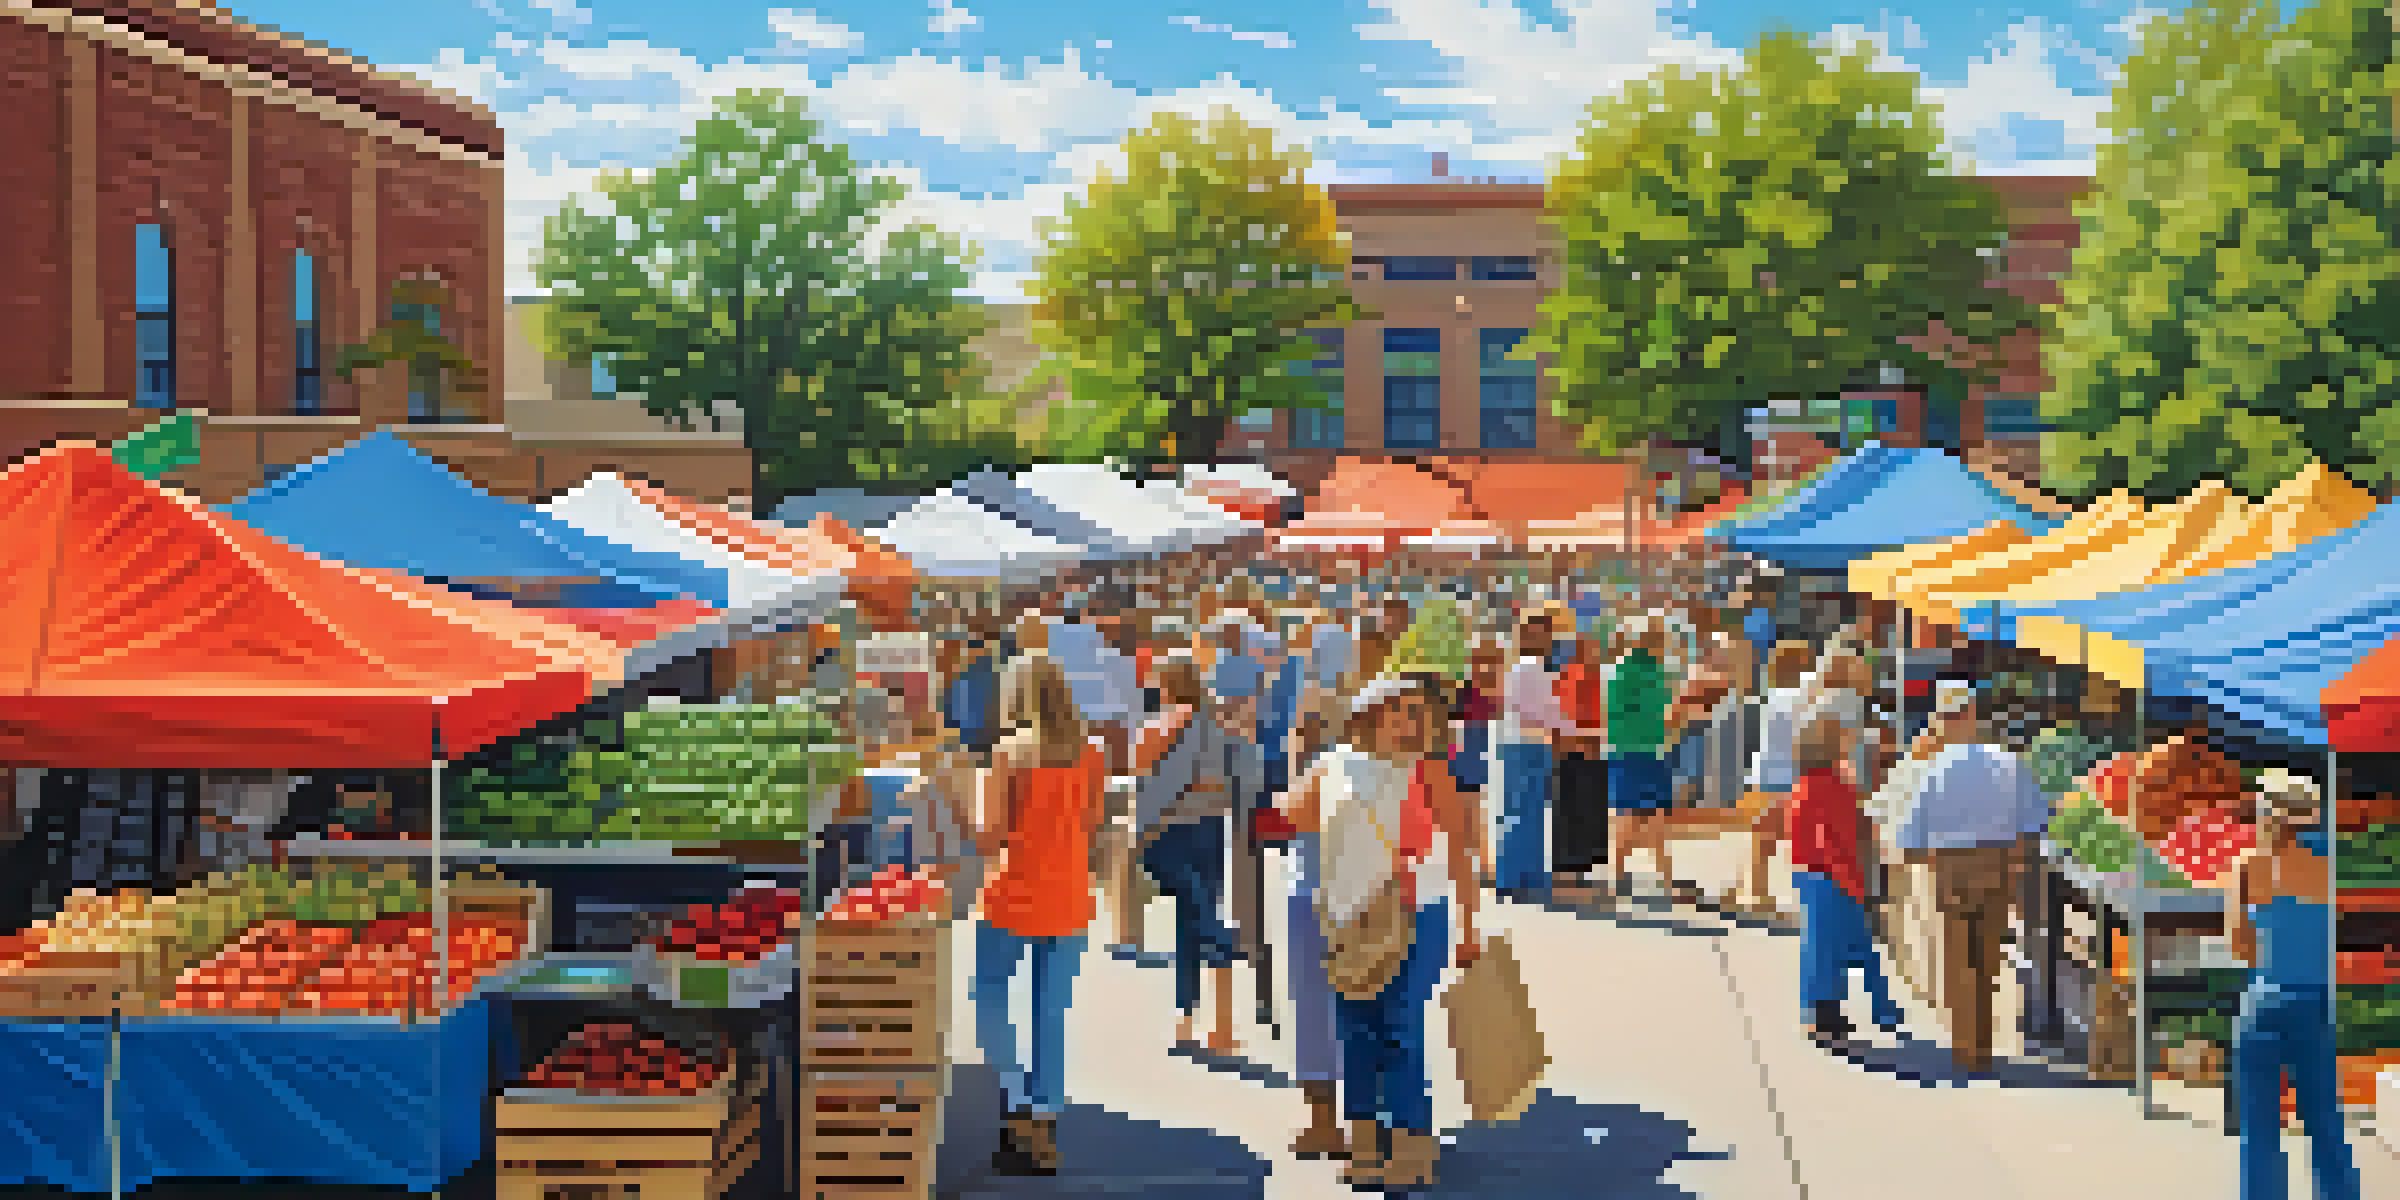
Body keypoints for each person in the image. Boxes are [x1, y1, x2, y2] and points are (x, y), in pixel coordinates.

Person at [1270, 671, 1484, 1190]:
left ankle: (1412, 1143)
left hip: (1418, 914)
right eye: (1401, 709)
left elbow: (1461, 849)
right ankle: (1366, 1145)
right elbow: (1289, 815)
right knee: (1355, 1032)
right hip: (1345, 918)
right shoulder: (1336, 764)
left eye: (1420, 712)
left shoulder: (1430, 771)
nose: (1413, 720)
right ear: (1370, 715)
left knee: (1400, 1030)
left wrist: (1469, 924)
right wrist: (1306, 754)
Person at [974, 656, 1109, 1176]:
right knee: (1050, 1012)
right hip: (1070, 894)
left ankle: (1014, 1105)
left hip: (1014, 892)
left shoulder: (1010, 753)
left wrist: (951, 794)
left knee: (989, 1000)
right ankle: (1043, 1115)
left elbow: (991, 837)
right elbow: (1093, 826)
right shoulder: (1092, 754)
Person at [1889, 683, 2052, 1075]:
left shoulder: (1935, 768)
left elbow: (1910, 836)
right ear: (1974, 716)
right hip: (1997, 863)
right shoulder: (2008, 761)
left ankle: (1967, 1048)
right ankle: (1982, 1043)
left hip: (1948, 866)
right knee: (1988, 958)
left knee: (1957, 956)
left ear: (1944, 721)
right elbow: (2036, 821)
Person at [2214, 776, 2360, 1200]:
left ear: (2265, 813)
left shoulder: (2245, 866)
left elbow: (2236, 942)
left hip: (2263, 1002)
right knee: (2324, 1122)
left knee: (2259, 1129)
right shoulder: (2331, 865)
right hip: (2313, 1003)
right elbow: (2335, 931)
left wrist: (2272, 965)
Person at [1131, 656, 1249, 1054]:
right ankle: (1217, 1026)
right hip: (1211, 829)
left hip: (1169, 833)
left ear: (1165, 685)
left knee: (1195, 920)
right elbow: (1235, 781)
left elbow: (1141, 781)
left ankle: (1192, 1020)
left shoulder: (1154, 728)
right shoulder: (1217, 727)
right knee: (1196, 917)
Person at [1788, 715, 1907, 1046]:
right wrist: (1856, 884)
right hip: (1832, 878)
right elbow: (1834, 842)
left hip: (1812, 875)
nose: (1850, 743)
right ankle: (1833, 1018)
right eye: (1843, 738)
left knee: (1825, 948)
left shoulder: (1807, 784)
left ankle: (1839, 1013)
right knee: (1836, 950)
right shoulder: (1833, 787)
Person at [1274, 702, 1350, 1160]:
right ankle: (1374, 1121)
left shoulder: (1322, 774)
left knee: (1315, 1017)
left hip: (1315, 900)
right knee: (1367, 1013)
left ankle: (1324, 1124)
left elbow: (1290, 818)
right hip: (1368, 899)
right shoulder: (1384, 773)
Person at [1492, 608, 1584, 900]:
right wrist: (1572, 731)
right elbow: (1541, 711)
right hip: (1524, 745)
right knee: (1522, 812)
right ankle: (1515, 878)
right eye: (1541, 631)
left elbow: (1546, 710)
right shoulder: (1529, 667)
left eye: (1548, 631)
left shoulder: (1529, 667)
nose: (1547, 637)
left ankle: (1526, 877)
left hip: (1528, 744)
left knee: (1527, 812)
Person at [1738, 642, 1818, 917]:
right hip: (1787, 775)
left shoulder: (1772, 695)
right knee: (1796, 840)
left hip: (1765, 773)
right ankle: (1762, 896)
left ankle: (1756, 894)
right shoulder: (1798, 696)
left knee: (1763, 840)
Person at [1606, 620, 1682, 903]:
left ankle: (1638, 879)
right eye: (1660, 637)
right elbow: (1633, 715)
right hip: (1635, 752)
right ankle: (1630, 878)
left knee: (1643, 819)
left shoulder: (1648, 670)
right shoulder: (1630, 671)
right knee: (1640, 819)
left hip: (1643, 751)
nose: (1664, 643)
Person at [1551, 632, 1611, 896]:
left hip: (1592, 751)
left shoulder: (1596, 676)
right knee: (1570, 813)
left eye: (1596, 647)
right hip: (1573, 752)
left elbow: (1600, 713)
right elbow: (1563, 718)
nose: (1594, 652)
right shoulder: (1569, 676)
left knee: (1588, 813)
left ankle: (1580, 870)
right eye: (1588, 647)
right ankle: (1565, 872)